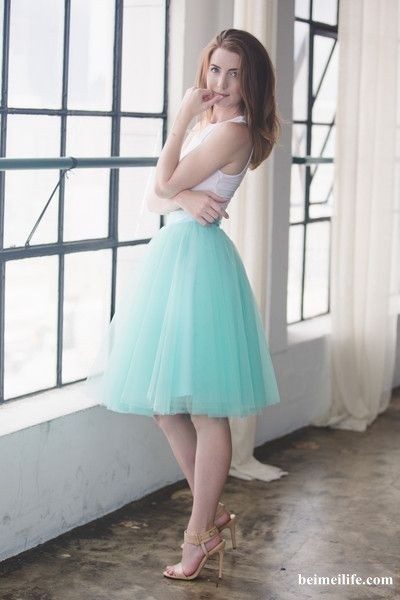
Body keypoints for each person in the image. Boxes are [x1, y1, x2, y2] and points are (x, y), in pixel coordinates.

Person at [84, 28, 282, 582]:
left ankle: (198, 535)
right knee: (165, 407)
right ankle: (210, 515)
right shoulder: (210, 124)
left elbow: (162, 180)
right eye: (215, 69)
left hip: (198, 264)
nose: (221, 81)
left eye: (234, 73)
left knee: (204, 410)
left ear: (250, 82)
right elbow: (154, 196)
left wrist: (178, 126)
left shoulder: (232, 130)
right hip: (176, 257)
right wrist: (186, 195)